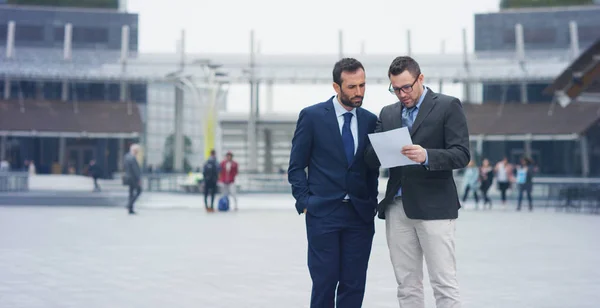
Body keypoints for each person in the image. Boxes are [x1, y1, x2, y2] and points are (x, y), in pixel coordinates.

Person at [365, 56, 470, 308]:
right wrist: (379, 149)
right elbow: (370, 158)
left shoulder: (447, 106)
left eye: (406, 87)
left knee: (444, 283)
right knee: (407, 286)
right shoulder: (388, 113)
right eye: (395, 88)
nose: (401, 94)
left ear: (420, 79)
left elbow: (462, 154)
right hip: (397, 208)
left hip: (434, 208)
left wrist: (427, 155)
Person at [288, 58, 378, 308]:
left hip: (359, 216)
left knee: (354, 284)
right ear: (336, 87)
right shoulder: (312, 116)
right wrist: (305, 202)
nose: (359, 92)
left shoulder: (371, 120)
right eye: (352, 87)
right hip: (323, 214)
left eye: (362, 85)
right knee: (325, 282)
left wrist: (371, 203)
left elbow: (372, 168)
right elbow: (296, 166)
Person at [123, 144, 142, 215]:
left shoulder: (126, 157)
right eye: (137, 151)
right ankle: (129, 204)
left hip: (128, 177)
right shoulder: (132, 158)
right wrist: (139, 179)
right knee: (139, 191)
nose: (138, 152)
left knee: (131, 193)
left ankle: (130, 208)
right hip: (133, 178)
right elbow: (135, 170)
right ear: (134, 150)